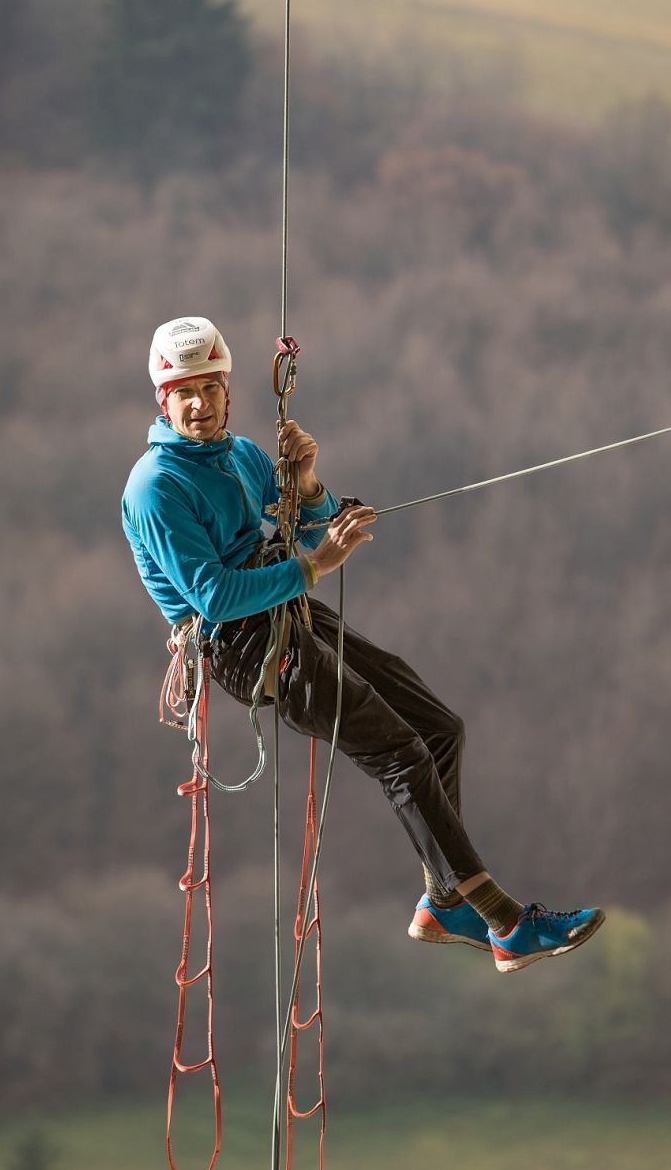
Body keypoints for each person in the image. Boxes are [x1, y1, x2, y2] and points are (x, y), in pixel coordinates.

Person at [122, 317, 605, 973]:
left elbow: (306, 524)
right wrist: (314, 566)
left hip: (287, 611)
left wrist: (309, 484)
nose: (200, 405)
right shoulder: (156, 487)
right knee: (399, 754)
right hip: (244, 647)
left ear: (227, 391)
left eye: (210, 389)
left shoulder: (241, 456)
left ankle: (445, 902)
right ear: (164, 400)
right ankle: (505, 922)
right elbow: (215, 597)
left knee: (439, 729)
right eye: (185, 393)